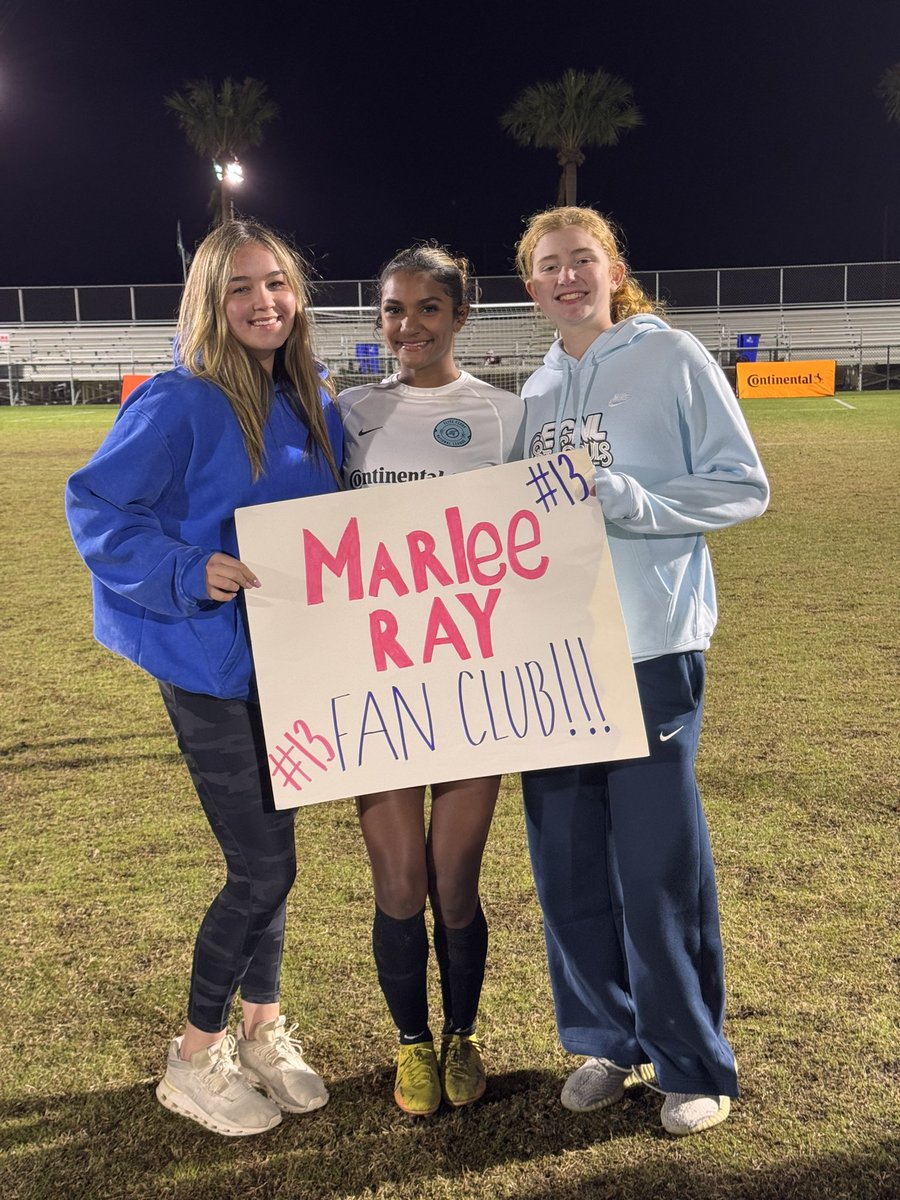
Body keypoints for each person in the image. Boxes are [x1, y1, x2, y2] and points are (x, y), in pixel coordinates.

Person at [65, 219, 344, 1138]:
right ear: (211, 302)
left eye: (278, 283)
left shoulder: (313, 397)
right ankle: (192, 1057)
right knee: (262, 867)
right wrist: (187, 569)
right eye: (241, 287)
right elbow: (96, 507)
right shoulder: (179, 399)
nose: (265, 302)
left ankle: (261, 1028)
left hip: (290, 661)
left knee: (277, 857)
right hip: (209, 664)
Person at [514, 206, 769, 1137]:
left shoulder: (671, 356)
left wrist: (631, 499)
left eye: (582, 259)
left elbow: (743, 486)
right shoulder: (535, 389)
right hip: (552, 660)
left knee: (656, 863)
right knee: (568, 861)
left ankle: (692, 1061)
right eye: (549, 265)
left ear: (614, 270)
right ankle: (606, 1040)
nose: (567, 277)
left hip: (650, 647)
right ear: (531, 286)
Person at [338, 245, 524, 1116]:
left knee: (454, 882)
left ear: (460, 316)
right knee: (399, 884)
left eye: (427, 309)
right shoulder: (349, 412)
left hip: (469, 679)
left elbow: (534, 539)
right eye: (392, 309)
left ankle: (462, 1034)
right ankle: (412, 1042)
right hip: (375, 679)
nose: (407, 326)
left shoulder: (503, 415)